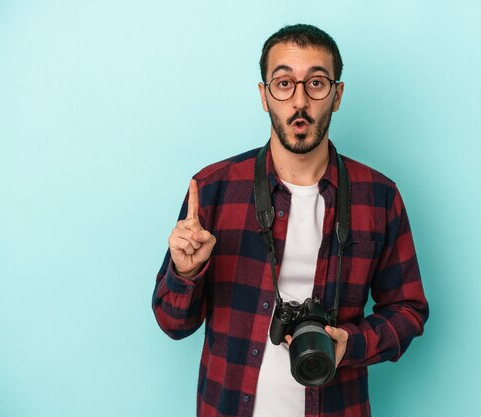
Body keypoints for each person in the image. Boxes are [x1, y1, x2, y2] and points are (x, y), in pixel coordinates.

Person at [152, 23, 429, 417]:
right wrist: (185, 272)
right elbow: (172, 323)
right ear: (264, 96)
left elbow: (408, 310)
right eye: (283, 84)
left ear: (337, 95)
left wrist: (349, 343)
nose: (300, 101)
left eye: (316, 83)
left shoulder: (379, 196)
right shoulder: (213, 189)